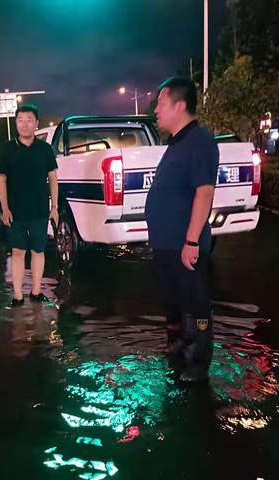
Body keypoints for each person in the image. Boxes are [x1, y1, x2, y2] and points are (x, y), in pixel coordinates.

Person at [145, 78, 219, 382]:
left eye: (161, 102)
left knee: (195, 304)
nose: (156, 109)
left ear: (179, 104)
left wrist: (191, 240)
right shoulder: (175, 142)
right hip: (166, 244)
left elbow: (205, 192)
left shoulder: (200, 140)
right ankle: (176, 346)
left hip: (184, 244)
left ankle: (198, 362)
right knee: (173, 301)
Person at [0, 104, 59, 307]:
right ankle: (17, 295)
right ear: (16, 123)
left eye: (29, 120)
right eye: (20, 120)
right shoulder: (7, 149)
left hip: (40, 210)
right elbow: (2, 180)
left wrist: (54, 207)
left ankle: (36, 291)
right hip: (16, 212)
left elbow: (53, 178)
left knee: (38, 251)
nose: (24, 124)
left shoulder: (45, 149)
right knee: (17, 252)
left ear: (36, 123)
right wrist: (4, 209)